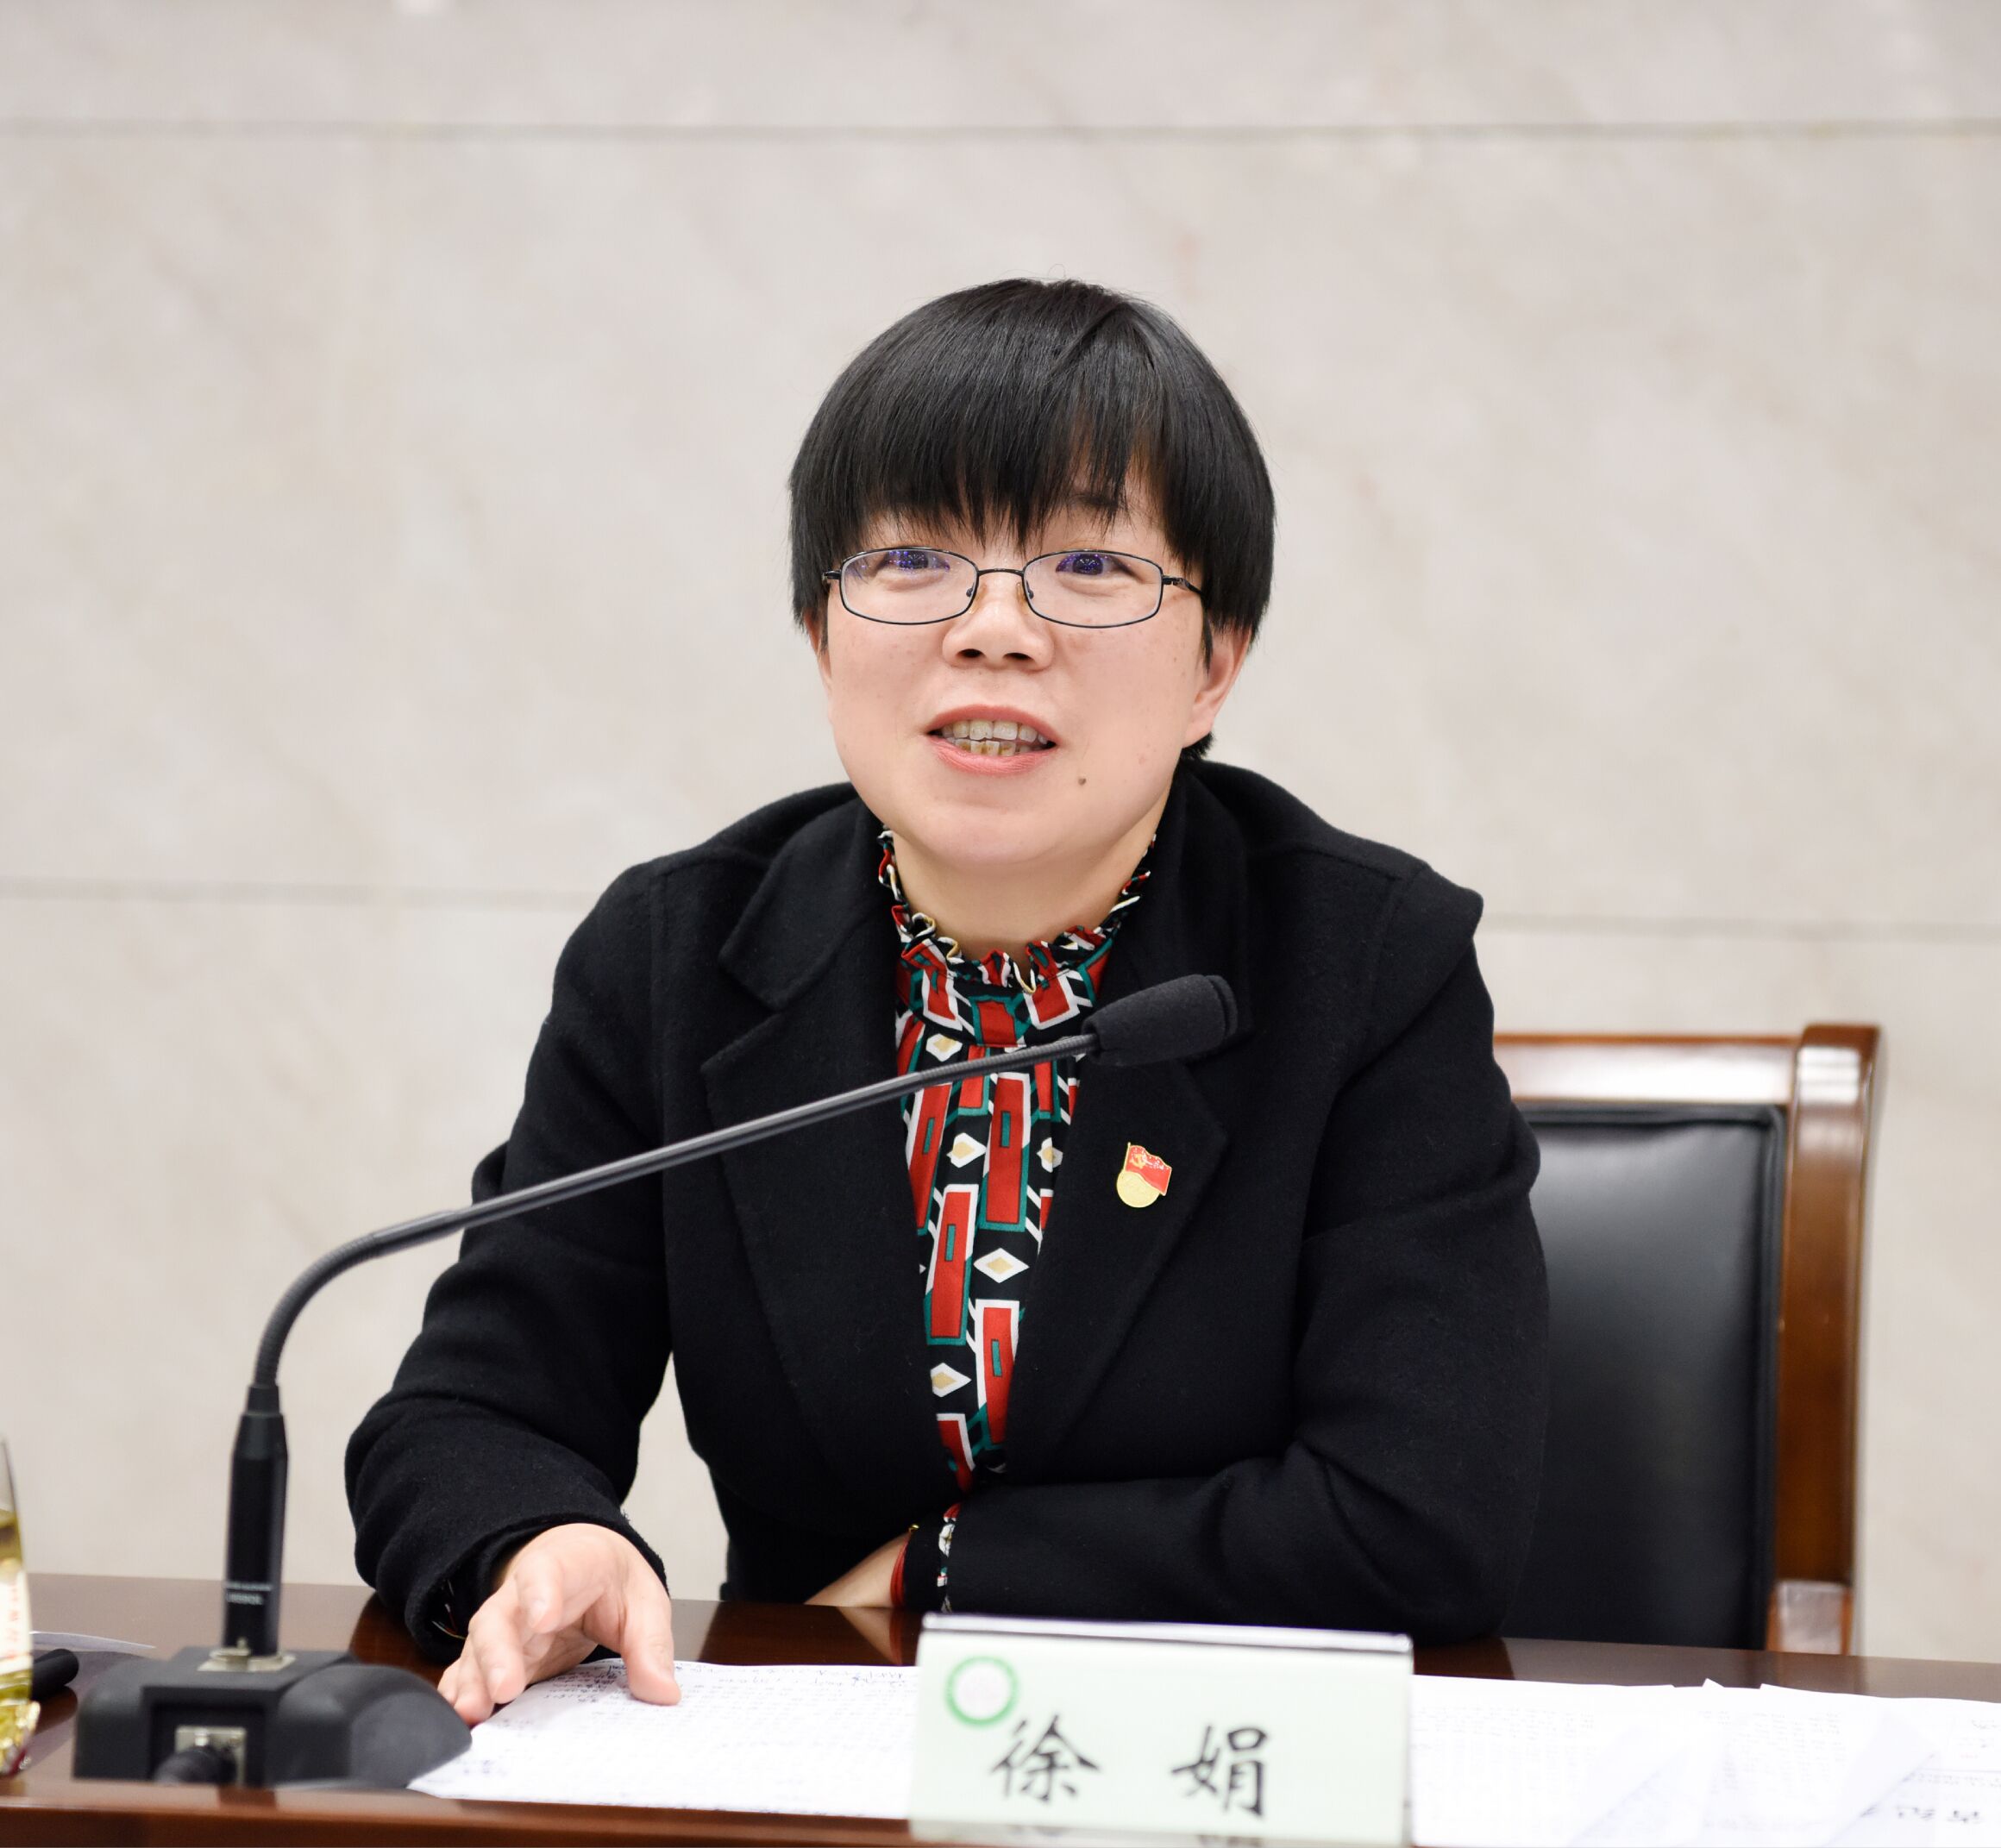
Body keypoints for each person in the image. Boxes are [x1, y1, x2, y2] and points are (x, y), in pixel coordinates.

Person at [346, 278, 1548, 1726]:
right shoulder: (679, 958)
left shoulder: (1361, 962)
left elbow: (1421, 1521)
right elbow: (465, 1415)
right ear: (821, 633)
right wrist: (540, 1538)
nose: (994, 629)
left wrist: (950, 1569)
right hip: (816, 1770)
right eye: (914, 559)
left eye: (1088, 567)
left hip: (1217, 1771)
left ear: (1215, 666)